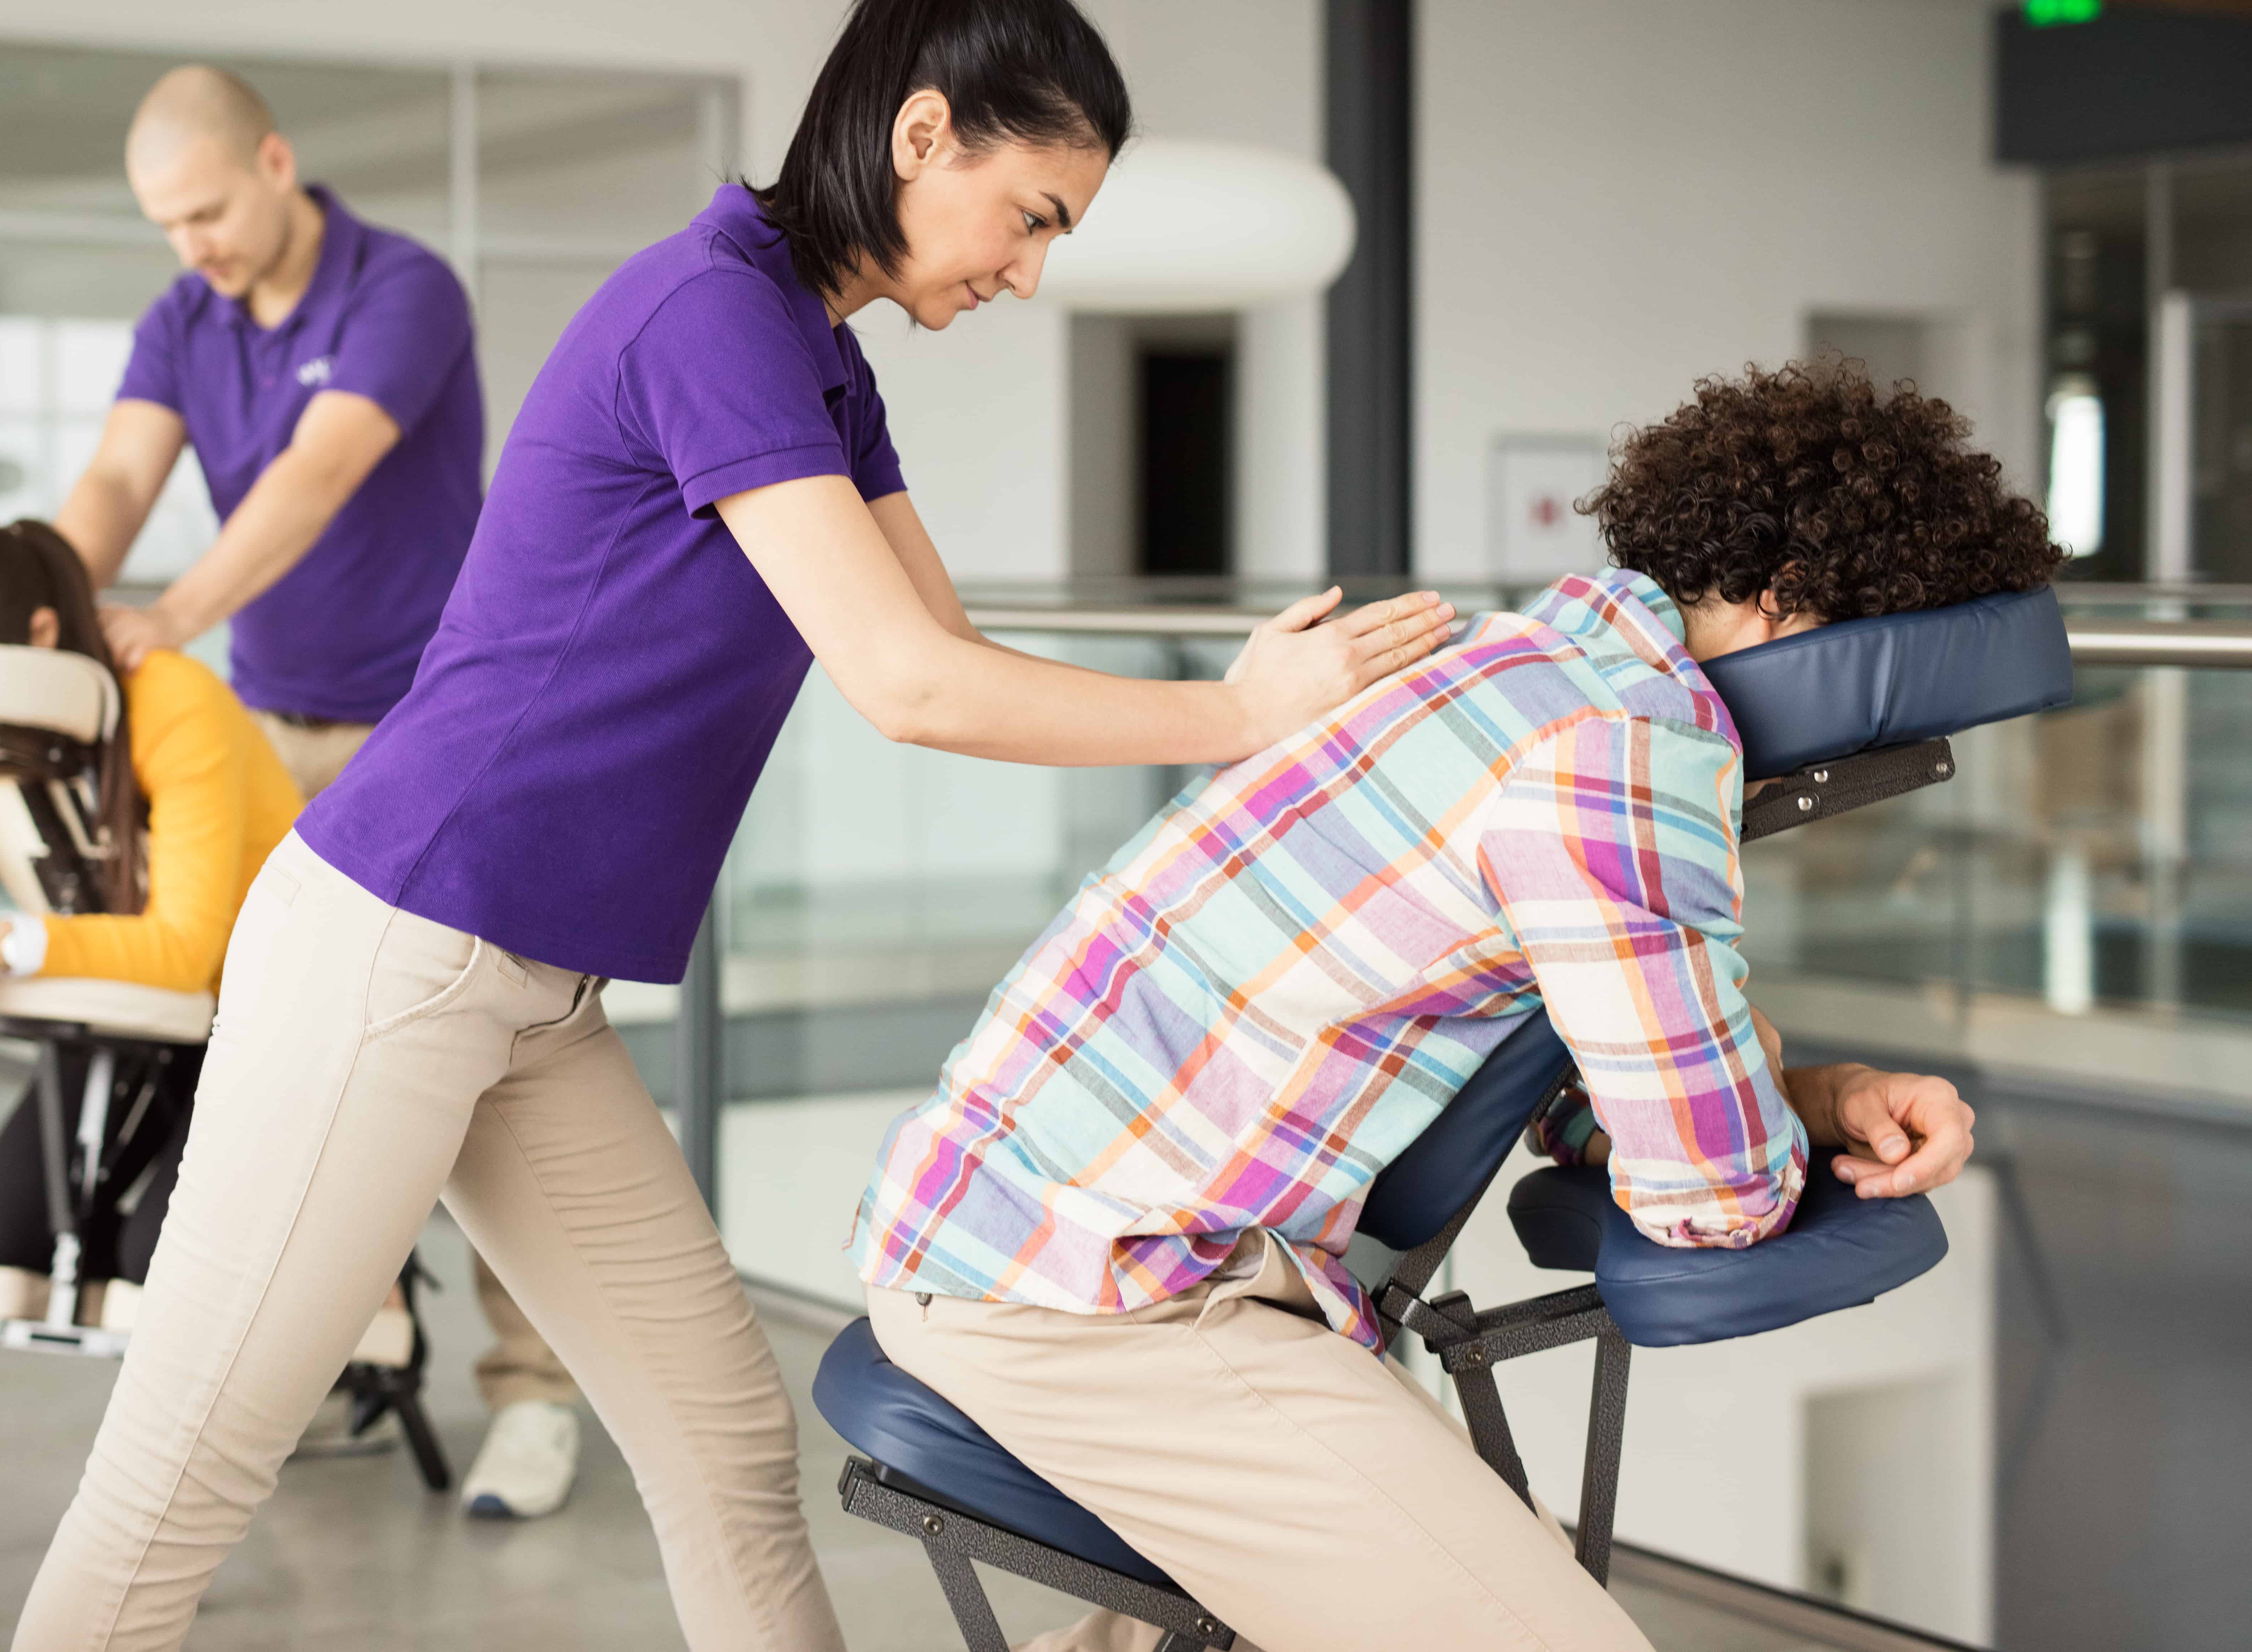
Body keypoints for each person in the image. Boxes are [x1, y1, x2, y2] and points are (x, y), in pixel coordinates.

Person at [13, 0, 1448, 1652]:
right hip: (396, 944)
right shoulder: (717, 312)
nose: (1028, 269)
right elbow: (908, 688)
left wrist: (1253, 713)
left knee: (720, 1438)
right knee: (180, 1479)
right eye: (1030, 215)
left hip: (525, 994)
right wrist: (1235, 720)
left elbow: (943, 646)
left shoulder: (816, 354)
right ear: (923, 137)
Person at [847, 359, 2064, 1652]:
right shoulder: (1627, 750)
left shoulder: (1511, 658)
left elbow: (1569, 1072)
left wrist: (1815, 1097)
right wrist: (1766, 1135)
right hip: (1107, 1290)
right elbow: (1713, 1195)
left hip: (1018, 1233)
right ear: (1793, 605)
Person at [51, 63, 587, 1518]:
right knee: (271, 1056)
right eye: (165, 225)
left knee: (490, 1062)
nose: (192, 247)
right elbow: (113, 477)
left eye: (208, 211)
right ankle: (326, 1345)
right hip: (266, 738)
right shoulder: (186, 318)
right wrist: (34, 594)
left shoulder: (402, 290)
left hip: (441, 732)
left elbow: (313, 473)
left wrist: (169, 611)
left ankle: (535, 1398)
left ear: (276, 163)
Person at [0, 517, 300, 1301]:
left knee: (162, 1263)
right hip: (133, 1018)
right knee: (2, 1239)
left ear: (41, 634)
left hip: (262, 1018)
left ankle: (355, 1280)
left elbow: (186, 949)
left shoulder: (172, 702)